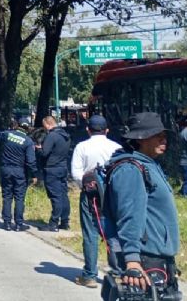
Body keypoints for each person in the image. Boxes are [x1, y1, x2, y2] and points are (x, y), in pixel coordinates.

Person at [102, 112, 181, 301]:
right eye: (157, 135)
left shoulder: (147, 164)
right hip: (145, 259)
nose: (164, 139)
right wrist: (132, 260)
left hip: (157, 258)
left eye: (164, 134)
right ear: (140, 139)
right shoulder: (130, 169)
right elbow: (128, 215)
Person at [70, 114, 122, 288]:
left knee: (91, 233)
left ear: (88, 130)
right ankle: (117, 273)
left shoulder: (82, 147)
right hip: (113, 193)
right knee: (112, 232)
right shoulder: (116, 147)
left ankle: (90, 275)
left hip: (90, 194)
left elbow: (76, 172)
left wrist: (85, 186)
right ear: (107, 130)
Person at [0, 117, 38, 231]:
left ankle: (7, 223)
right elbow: (31, 161)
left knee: (7, 196)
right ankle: (18, 224)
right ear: (27, 128)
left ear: (17, 125)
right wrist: (34, 175)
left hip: (6, 170)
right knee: (19, 198)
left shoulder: (8, 134)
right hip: (19, 172)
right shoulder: (28, 141)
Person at [37, 115, 71, 232]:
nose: (44, 128)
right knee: (63, 195)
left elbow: (44, 153)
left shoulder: (51, 136)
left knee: (55, 196)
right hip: (63, 167)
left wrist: (38, 148)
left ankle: (53, 223)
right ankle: (65, 221)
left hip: (52, 169)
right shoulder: (66, 136)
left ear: (47, 124)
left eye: (44, 126)